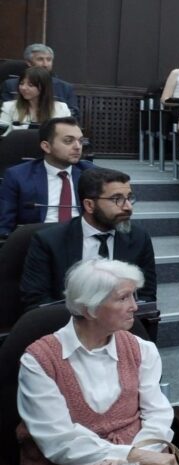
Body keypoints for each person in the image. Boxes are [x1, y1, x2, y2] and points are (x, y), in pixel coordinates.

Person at [16, 259, 177, 465]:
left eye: (134, 295)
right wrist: (130, 456)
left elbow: (157, 413)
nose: (135, 306)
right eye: (123, 298)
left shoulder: (142, 349)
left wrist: (139, 456)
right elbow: (59, 440)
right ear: (89, 308)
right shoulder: (39, 361)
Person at [21, 167, 157, 310]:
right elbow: (37, 302)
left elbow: (146, 297)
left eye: (129, 198)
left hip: (123, 321)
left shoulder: (139, 238)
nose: (128, 207)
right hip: (68, 321)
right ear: (90, 205)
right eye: (117, 199)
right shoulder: (49, 241)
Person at [0, 117, 93, 236]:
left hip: (82, 239)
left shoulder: (91, 173)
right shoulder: (17, 176)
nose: (78, 147)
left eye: (81, 141)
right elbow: (4, 225)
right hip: (38, 240)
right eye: (68, 141)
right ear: (46, 147)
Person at [1, 44, 78, 118]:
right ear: (29, 63)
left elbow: (73, 113)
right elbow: (7, 111)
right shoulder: (10, 85)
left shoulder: (65, 87)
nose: (45, 64)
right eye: (40, 59)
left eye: (49, 59)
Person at [0, 67, 71, 135]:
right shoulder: (9, 107)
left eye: (30, 85)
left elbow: (66, 134)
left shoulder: (61, 108)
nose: (23, 88)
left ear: (44, 87)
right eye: (21, 83)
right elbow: (3, 135)